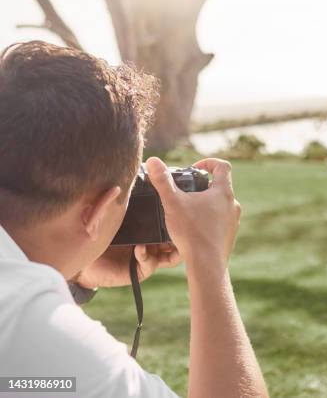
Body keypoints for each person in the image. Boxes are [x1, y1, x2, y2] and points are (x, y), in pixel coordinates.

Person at [0, 41, 268, 398]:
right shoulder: (41, 337)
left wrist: (72, 274)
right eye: (130, 190)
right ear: (98, 209)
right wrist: (208, 259)